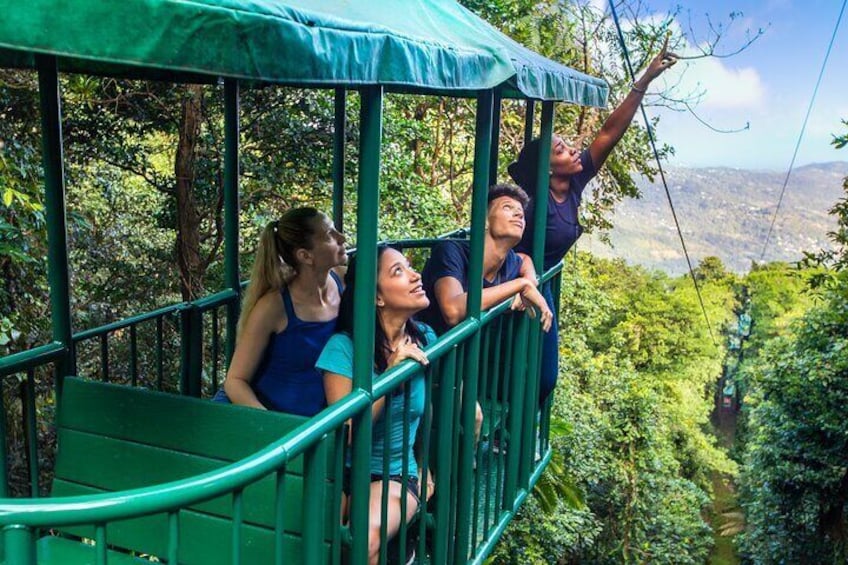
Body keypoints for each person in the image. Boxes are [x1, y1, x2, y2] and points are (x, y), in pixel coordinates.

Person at [507, 39, 678, 405]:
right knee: (531, 370)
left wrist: (645, 79)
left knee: (541, 374)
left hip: (544, 280)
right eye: (562, 149)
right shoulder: (534, 205)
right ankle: (502, 433)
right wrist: (523, 281)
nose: (572, 149)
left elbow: (608, 134)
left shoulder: (574, 185)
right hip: (523, 281)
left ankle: (509, 430)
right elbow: (510, 246)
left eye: (569, 145)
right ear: (548, 168)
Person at [318, 245, 434, 565]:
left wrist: (428, 468)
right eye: (398, 271)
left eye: (409, 266)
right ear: (377, 297)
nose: (415, 275)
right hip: (342, 470)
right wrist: (391, 376)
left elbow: (438, 412)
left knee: (363, 537)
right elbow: (349, 432)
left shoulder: (425, 338)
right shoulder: (344, 348)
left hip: (396, 473)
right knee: (312, 535)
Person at [419, 183, 553, 439]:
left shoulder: (511, 262)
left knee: (474, 421)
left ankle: (455, 470)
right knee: (447, 420)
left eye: (521, 212)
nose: (518, 215)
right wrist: (521, 285)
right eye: (507, 208)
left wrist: (529, 276)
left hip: (454, 364)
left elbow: (524, 259)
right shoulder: (452, 251)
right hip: (420, 353)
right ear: (484, 221)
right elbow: (452, 308)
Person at [221, 207, 346, 416]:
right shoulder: (273, 307)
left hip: (313, 422)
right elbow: (235, 381)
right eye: (329, 235)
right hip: (269, 417)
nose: (341, 237)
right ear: (305, 256)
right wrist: (271, 426)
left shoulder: (341, 280)